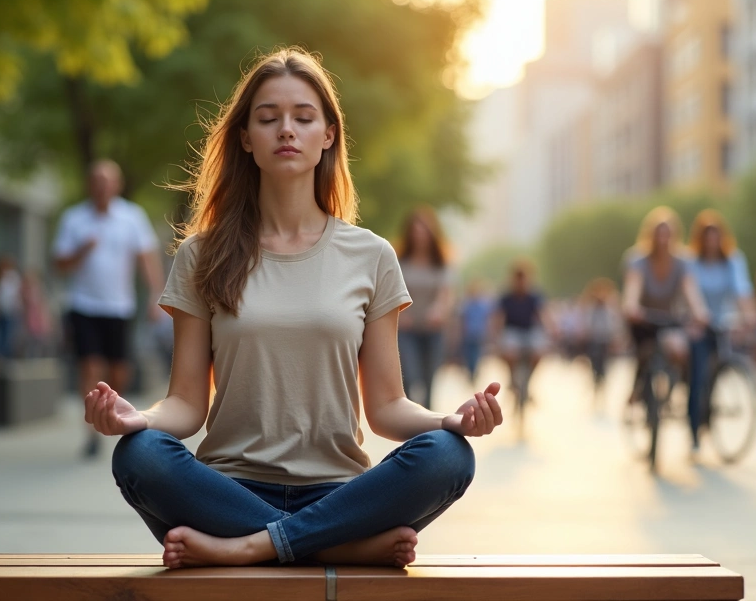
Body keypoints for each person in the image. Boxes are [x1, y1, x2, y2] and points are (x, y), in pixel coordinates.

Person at [84, 49, 499, 569]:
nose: (286, 130)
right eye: (268, 118)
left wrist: (450, 419)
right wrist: (136, 418)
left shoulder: (371, 256)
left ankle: (254, 547)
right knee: (139, 455)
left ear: (328, 135)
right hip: (226, 490)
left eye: (303, 118)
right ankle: (334, 546)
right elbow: (187, 404)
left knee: (447, 455)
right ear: (245, 139)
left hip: (338, 493)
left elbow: (387, 407)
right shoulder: (201, 255)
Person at [54, 159, 165, 458]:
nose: (102, 187)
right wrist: (81, 251)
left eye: (108, 181)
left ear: (117, 185)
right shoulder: (74, 219)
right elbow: (60, 264)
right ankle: (90, 430)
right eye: (97, 181)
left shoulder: (132, 217)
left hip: (119, 306)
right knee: (90, 366)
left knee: (119, 370)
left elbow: (147, 259)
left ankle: (110, 411)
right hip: (84, 305)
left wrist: (156, 296)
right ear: (90, 185)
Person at [622, 207, 709, 405]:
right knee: (644, 352)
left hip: (669, 319)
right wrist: (631, 306)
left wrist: (700, 312)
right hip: (643, 320)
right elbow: (633, 288)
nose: (663, 239)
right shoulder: (637, 260)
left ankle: (680, 389)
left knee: (681, 349)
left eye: (667, 234)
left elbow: (690, 290)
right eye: (658, 234)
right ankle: (638, 386)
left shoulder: (682, 261)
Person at [686, 210, 756, 454]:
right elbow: (690, 291)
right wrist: (699, 315)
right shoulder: (691, 262)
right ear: (700, 239)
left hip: (722, 323)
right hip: (697, 323)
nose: (712, 241)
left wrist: (749, 315)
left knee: (718, 367)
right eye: (707, 236)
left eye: (716, 235)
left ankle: (709, 409)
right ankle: (694, 430)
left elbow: (742, 291)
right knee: (698, 372)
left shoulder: (733, 260)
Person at [395, 207, 455, 409]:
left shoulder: (440, 263)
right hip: (407, 330)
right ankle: (409, 424)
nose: (419, 234)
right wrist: (401, 314)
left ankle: (427, 429)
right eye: (415, 230)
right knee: (410, 378)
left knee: (430, 381)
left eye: (423, 230)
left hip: (432, 330)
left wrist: (439, 310)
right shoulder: (400, 261)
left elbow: (445, 294)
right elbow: (391, 291)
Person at [493, 261, 553, 403]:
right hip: (512, 331)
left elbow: (543, 314)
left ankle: (528, 382)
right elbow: (498, 318)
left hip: (529, 332)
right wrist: (496, 335)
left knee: (539, 352)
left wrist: (551, 330)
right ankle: (512, 378)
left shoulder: (534, 296)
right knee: (509, 351)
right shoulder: (506, 297)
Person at [581, 277, 621, 387]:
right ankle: (596, 380)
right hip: (594, 340)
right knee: (595, 361)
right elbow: (587, 324)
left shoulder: (610, 308)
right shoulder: (591, 308)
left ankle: (602, 380)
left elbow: (615, 324)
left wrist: (615, 338)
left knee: (605, 363)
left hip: (606, 340)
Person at [457, 278, 495, 384]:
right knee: (470, 354)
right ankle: (471, 371)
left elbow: (487, 319)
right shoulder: (468, 304)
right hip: (469, 333)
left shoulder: (481, 304)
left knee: (476, 354)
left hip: (478, 333)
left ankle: (473, 371)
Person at [20, 270, 54, 357]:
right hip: (30, 317)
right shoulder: (25, 292)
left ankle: (40, 354)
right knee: (31, 339)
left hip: (37, 317)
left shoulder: (39, 292)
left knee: (40, 338)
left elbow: (43, 306)